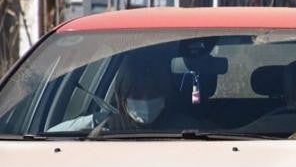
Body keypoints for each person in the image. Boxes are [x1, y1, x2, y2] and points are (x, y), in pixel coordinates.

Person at [50, 52, 191, 134]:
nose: (146, 100)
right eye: (136, 94)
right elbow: (50, 134)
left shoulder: (184, 128)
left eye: (153, 93)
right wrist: (99, 127)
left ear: (165, 94)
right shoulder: (104, 124)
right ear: (121, 97)